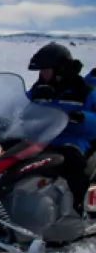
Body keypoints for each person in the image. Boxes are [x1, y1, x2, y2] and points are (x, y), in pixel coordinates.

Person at [27, 43, 96, 214]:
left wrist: (81, 118)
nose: (42, 74)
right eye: (40, 71)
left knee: (71, 162)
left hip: (73, 140)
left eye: (45, 70)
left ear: (59, 70)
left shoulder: (84, 92)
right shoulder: (39, 90)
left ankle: (74, 211)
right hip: (42, 138)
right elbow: (19, 106)